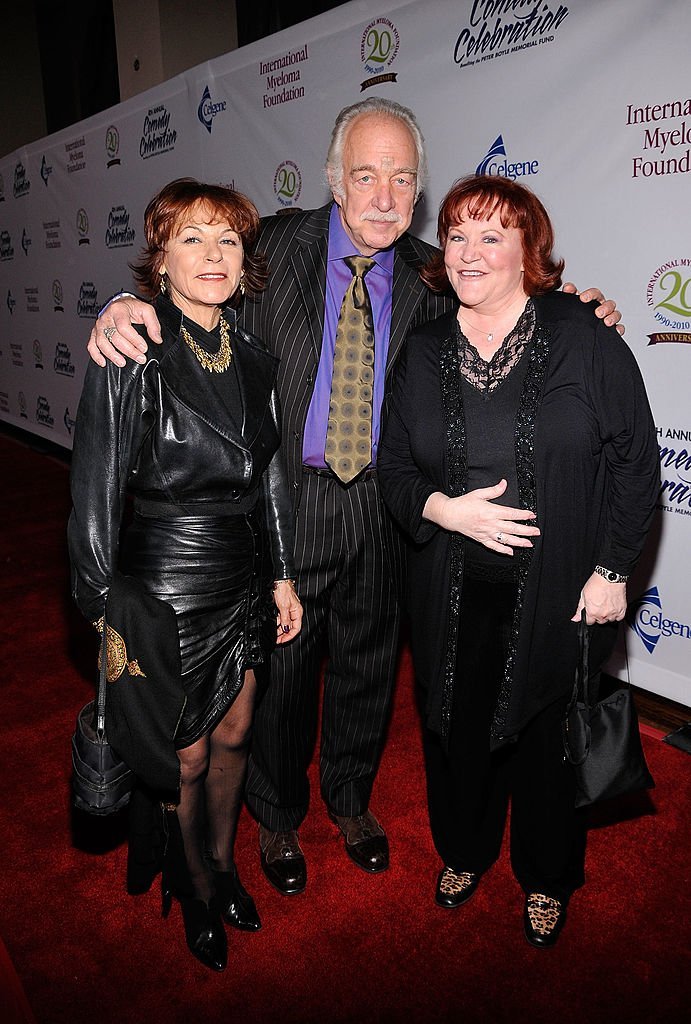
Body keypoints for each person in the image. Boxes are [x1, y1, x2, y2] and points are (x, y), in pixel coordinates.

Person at [86, 97, 622, 896]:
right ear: (334, 179)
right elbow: (193, 279)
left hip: (390, 507)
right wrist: (123, 305)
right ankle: (274, 814)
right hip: (286, 503)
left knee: (371, 669)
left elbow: (518, 295)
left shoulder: (435, 270)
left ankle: (348, 798)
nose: (383, 197)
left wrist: (582, 306)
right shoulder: (268, 246)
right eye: (365, 175)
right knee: (281, 673)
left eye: (402, 180)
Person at [377, 174, 658, 948]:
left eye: (490, 235)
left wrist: (611, 571)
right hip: (449, 589)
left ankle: (547, 877)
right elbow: (394, 468)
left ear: (528, 250)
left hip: (560, 590)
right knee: (455, 734)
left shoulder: (582, 335)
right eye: (457, 234)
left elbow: (636, 463)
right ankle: (463, 853)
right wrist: (443, 510)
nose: (468, 252)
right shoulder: (423, 349)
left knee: (546, 744)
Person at [68, 178, 302, 971]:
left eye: (228, 240)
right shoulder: (131, 348)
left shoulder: (255, 357)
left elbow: (269, 474)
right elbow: (94, 490)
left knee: (237, 732)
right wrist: (103, 612)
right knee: (186, 756)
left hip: (241, 578)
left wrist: (281, 577)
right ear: (159, 259)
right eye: (192, 238)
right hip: (162, 587)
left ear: (245, 264)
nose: (212, 254)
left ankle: (228, 861)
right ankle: (195, 883)